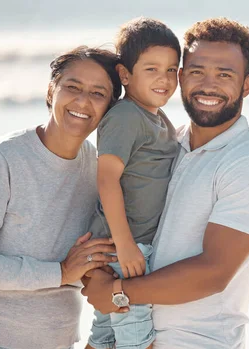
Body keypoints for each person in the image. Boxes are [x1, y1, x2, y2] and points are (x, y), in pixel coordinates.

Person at [81, 18, 249, 349]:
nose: (208, 85)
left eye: (224, 75)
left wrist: (117, 292)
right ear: (181, 75)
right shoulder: (170, 143)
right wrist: (99, 278)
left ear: (247, 86)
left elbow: (213, 272)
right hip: (128, 329)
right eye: (196, 71)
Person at [0, 46, 122, 349]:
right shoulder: (2, 158)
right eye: (72, 87)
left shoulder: (99, 168)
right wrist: (60, 272)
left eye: (98, 93)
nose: (82, 101)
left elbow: (90, 260)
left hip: (59, 341)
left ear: (110, 107)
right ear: (51, 90)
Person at [86, 17, 181, 349]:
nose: (164, 79)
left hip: (133, 247)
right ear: (125, 75)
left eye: (172, 70)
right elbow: (106, 178)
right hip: (125, 248)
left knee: (106, 336)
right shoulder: (126, 117)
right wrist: (125, 245)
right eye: (152, 69)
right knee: (137, 339)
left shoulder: (158, 117)